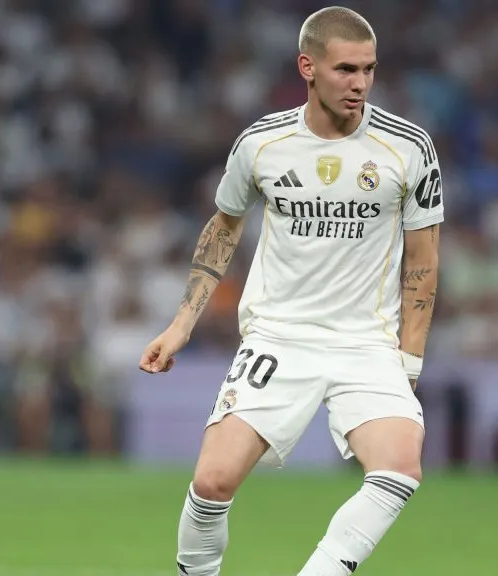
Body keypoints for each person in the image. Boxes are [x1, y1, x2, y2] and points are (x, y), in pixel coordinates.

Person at [138, 6, 443, 575]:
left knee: (399, 468)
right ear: (308, 66)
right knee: (212, 482)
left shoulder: (409, 147)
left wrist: (408, 359)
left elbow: (424, 259)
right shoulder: (262, 143)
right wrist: (180, 325)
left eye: (369, 70)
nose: (359, 84)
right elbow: (224, 226)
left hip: (365, 342)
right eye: (345, 69)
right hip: (279, 335)